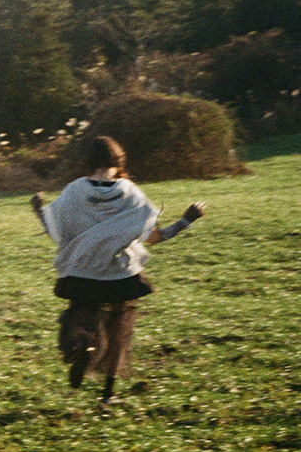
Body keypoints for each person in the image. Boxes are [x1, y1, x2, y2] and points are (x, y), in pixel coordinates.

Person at [30, 135, 206, 404]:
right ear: (119, 160)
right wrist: (186, 220)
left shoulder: (75, 190)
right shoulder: (130, 193)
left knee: (79, 315)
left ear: (88, 161)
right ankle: (108, 395)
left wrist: (38, 209)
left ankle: (81, 348)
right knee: (120, 329)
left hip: (82, 272)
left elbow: (56, 231)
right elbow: (153, 238)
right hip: (120, 274)